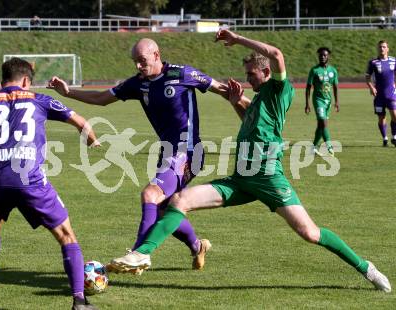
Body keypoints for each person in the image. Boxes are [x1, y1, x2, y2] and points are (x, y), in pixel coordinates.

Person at [109, 29, 392, 294]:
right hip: (241, 179)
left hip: (269, 178)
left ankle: (366, 268)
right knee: (179, 200)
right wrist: (235, 101)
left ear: (266, 72)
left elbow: (277, 54)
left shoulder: (279, 91)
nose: (248, 79)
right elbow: (251, 122)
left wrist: (237, 38)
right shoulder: (257, 101)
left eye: (252, 74)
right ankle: (142, 254)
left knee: (310, 232)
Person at [48, 38, 230, 273]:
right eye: (135, 62)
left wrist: (246, 102)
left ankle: (138, 254)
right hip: (167, 153)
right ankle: (197, 246)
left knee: (150, 194)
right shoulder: (138, 84)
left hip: (189, 152)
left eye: (142, 60)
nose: (138, 66)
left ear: (156, 55)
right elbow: (102, 99)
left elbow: (221, 88)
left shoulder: (181, 73)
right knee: (164, 210)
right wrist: (68, 92)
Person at [0, 58, 100, 310]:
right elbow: (80, 121)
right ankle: (79, 299)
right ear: (25, 80)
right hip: (30, 181)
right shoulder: (39, 99)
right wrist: (92, 140)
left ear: (3, 78)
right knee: (66, 235)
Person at [305, 47, 339, 156]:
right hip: (318, 100)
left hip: (328, 101)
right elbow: (308, 88)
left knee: (321, 125)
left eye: (324, 55)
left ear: (328, 56)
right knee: (323, 123)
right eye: (320, 55)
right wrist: (307, 104)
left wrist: (337, 101)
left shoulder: (333, 71)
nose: (322, 57)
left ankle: (313, 147)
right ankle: (329, 146)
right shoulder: (314, 70)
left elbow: (335, 87)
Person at [366, 40, 396, 147]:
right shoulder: (373, 62)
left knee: (395, 116)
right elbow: (367, 77)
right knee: (381, 118)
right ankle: (385, 138)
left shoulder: (394, 61)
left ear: (387, 49)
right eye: (380, 47)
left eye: (384, 47)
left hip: (391, 94)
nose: (381, 49)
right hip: (379, 96)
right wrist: (371, 87)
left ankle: (394, 136)